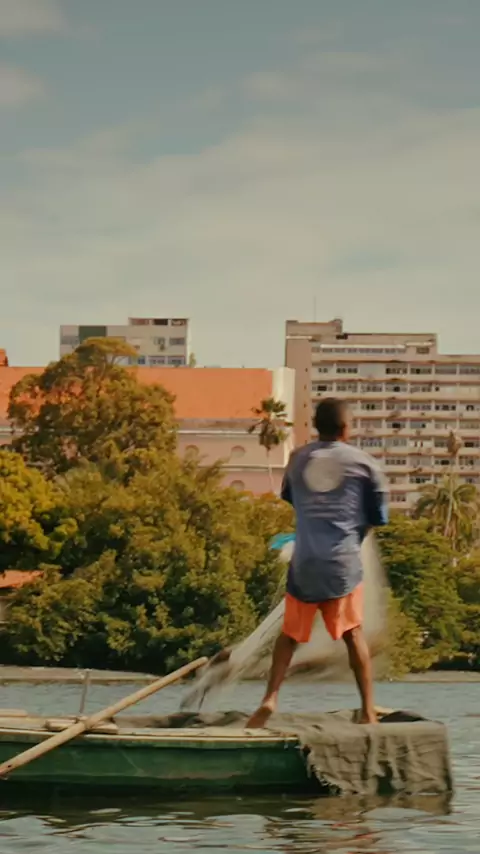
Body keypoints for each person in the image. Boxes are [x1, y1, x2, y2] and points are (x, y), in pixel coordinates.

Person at [247, 397, 388, 729]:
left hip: (305, 562)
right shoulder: (365, 464)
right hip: (342, 564)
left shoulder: (298, 459)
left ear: (315, 427)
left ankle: (270, 697)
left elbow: (290, 496)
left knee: (288, 636)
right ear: (346, 428)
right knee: (353, 634)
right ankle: (367, 710)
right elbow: (379, 516)